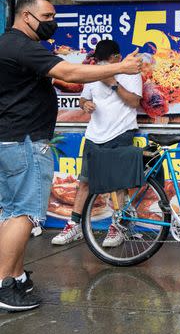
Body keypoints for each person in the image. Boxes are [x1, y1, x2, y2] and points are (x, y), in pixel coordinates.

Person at [0, 0, 141, 313]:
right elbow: (70, 74)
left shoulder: (7, 45)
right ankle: (4, 284)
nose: (53, 22)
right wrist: (121, 66)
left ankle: (17, 276)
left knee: (11, 214)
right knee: (24, 214)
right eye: (48, 16)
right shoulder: (22, 46)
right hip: (24, 141)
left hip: (11, 140)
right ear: (25, 17)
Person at [51, 40, 143, 247]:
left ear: (117, 58)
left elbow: (134, 102)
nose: (102, 66)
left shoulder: (132, 73)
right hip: (94, 135)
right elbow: (83, 99)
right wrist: (86, 105)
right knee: (84, 182)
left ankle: (118, 225)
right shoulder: (92, 75)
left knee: (118, 183)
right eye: (99, 62)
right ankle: (74, 225)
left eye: (106, 61)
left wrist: (113, 82)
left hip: (120, 133)